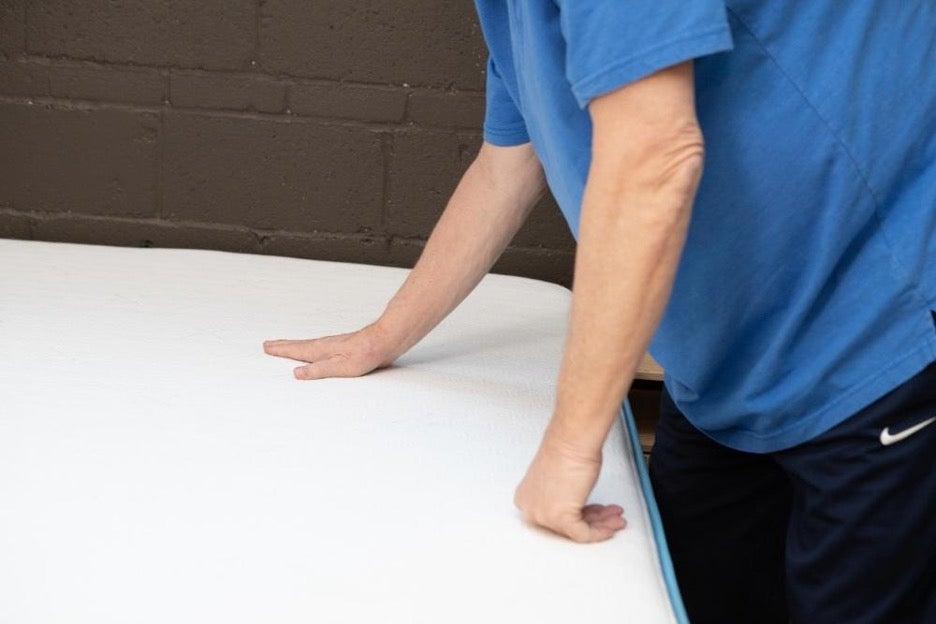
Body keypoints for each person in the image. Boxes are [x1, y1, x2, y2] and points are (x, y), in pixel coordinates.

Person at [263, 1, 936, 622]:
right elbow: (511, 159)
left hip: (880, 347)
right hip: (727, 373)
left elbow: (656, 159)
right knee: (686, 600)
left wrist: (569, 446)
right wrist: (385, 335)